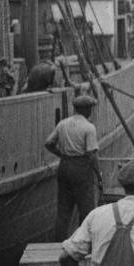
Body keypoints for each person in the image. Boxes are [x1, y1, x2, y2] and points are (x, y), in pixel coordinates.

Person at [45, 93, 103, 240]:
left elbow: (49, 143)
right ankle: (82, 243)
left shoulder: (63, 124)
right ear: (87, 110)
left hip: (64, 167)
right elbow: (91, 154)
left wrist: (62, 155)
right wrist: (98, 174)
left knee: (64, 210)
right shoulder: (88, 127)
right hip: (81, 168)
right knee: (86, 209)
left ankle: (59, 244)